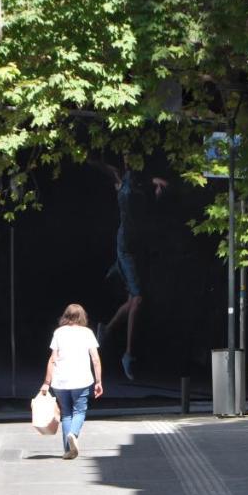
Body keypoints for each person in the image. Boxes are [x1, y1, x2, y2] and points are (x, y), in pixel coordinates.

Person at [96, 155, 168, 381]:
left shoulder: (144, 185)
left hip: (140, 246)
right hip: (126, 246)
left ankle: (106, 330)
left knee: (133, 300)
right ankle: (128, 354)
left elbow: (161, 189)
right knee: (137, 299)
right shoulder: (121, 181)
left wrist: (157, 191)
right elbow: (105, 167)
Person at [41, 303, 103, 459]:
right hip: (81, 380)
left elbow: (52, 359)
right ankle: (73, 434)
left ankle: (68, 450)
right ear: (82, 317)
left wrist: (46, 383)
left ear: (66, 316)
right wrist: (98, 381)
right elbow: (95, 359)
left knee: (66, 414)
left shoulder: (59, 333)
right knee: (80, 411)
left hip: (60, 381)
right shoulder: (87, 333)